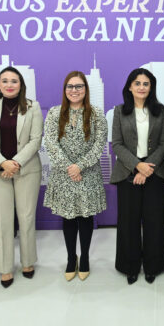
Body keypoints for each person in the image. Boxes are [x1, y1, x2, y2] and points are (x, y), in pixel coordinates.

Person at [0, 66, 43, 288]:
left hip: (27, 169)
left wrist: (15, 163)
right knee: (2, 221)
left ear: (21, 84)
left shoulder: (33, 107)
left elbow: (36, 139)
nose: (9, 85)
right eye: (4, 81)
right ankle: (5, 268)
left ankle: (28, 262)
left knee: (26, 218)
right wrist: (2, 163)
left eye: (14, 81)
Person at [43, 71, 107, 281]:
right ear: (65, 90)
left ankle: (85, 257)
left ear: (86, 89)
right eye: (70, 86)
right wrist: (70, 168)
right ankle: (72, 258)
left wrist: (79, 166)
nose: (74, 90)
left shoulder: (96, 114)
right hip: (64, 175)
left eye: (79, 86)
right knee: (68, 217)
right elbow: (51, 144)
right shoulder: (54, 113)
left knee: (86, 217)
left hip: (88, 173)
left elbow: (99, 146)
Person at [111, 68, 164, 285]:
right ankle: (130, 266)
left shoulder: (161, 111)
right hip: (128, 171)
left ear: (151, 87)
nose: (142, 87)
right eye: (137, 83)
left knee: (154, 221)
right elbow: (117, 144)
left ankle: (153, 266)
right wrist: (137, 166)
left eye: (146, 83)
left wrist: (147, 168)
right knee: (128, 221)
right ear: (130, 86)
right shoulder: (120, 111)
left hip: (154, 171)